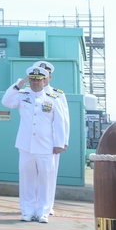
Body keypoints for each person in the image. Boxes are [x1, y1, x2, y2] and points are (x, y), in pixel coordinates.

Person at [1, 63, 68, 222]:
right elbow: (6, 101)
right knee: (27, 180)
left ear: (44, 81)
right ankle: (27, 211)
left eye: (38, 80)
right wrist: (19, 83)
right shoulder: (22, 95)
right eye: (32, 80)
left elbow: (61, 122)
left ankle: (43, 211)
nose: (35, 83)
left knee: (46, 179)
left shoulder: (54, 98)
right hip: (25, 145)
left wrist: (61, 142)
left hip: (46, 146)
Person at [37, 60, 69, 219]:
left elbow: (64, 119)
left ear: (49, 76)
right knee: (33, 174)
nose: (43, 77)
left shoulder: (58, 94)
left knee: (50, 174)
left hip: (52, 142)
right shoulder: (29, 92)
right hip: (34, 143)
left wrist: (63, 141)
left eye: (46, 74)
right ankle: (34, 205)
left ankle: (47, 205)